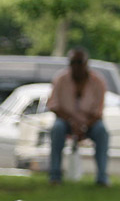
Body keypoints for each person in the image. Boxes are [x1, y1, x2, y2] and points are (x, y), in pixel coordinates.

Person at [47, 47, 110, 186]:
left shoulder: (98, 82)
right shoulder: (61, 79)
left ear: (86, 63)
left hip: (90, 122)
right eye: (72, 62)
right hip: (65, 121)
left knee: (102, 132)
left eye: (79, 62)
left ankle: (102, 177)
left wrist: (84, 126)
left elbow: (98, 112)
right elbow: (53, 105)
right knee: (57, 129)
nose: (76, 66)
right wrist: (71, 121)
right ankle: (55, 175)